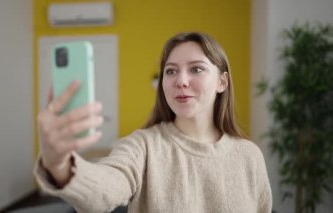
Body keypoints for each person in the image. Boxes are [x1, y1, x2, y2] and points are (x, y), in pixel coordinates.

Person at [34, 32, 273, 213]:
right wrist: (60, 166)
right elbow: (103, 192)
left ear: (222, 82)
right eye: (171, 71)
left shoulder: (249, 156)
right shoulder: (142, 146)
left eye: (196, 69)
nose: (181, 80)